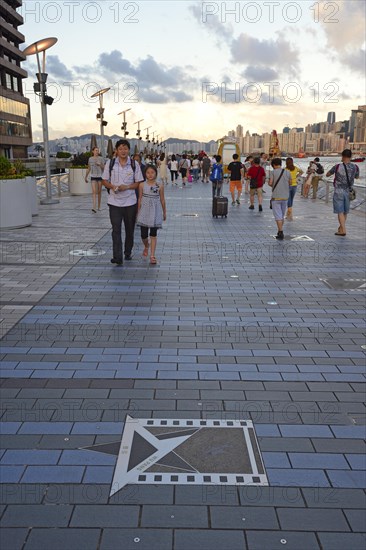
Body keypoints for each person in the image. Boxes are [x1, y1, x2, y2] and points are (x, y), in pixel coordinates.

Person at [102, 139, 144, 266]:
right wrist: (112, 186)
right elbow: (104, 180)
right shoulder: (110, 163)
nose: (123, 151)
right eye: (120, 149)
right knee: (116, 230)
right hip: (114, 202)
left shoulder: (134, 164)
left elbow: (138, 182)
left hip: (130, 202)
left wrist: (126, 187)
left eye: (125, 148)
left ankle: (127, 251)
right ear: (116, 150)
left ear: (128, 150)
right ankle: (117, 256)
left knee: (129, 229)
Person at [137, 164, 166, 265]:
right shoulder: (141, 185)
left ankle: (152, 255)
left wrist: (164, 212)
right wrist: (138, 211)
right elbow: (140, 198)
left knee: (153, 234)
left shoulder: (159, 186)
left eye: (152, 173)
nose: (150, 175)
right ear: (145, 174)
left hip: (155, 212)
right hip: (144, 212)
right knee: (143, 235)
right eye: (148, 173)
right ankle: (146, 245)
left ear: (156, 174)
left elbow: (162, 199)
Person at [326, 149, 359, 236]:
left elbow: (327, 174)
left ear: (343, 156)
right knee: (345, 211)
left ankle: (343, 230)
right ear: (351, 156)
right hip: (348, 191)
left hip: (338, 191)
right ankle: (341, 228)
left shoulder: (337, 166)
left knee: (340, 211)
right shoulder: (355, 167)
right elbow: (357, 177)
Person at [269, 158, 291, 240]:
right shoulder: (287, 172)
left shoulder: (272, 172)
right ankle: (279, 230)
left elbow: (270, 183)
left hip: (276, 197)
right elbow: (290, 183)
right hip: (285, 197)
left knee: (278, 215)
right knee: (281, 215)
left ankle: (281, 232)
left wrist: (273, 185)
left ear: (274, 165)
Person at [85, 147, 104, 213]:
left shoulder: (101, 158)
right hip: (93, 176)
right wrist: (86, 177)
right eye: (96, 150)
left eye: (98, 150)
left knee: (99, 192)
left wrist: (100, 164)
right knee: (94, 191)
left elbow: (104, 168)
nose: (97, 152)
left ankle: (99, 206)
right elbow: (89, 168)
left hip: (99, 176)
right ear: (93, 151)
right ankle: (94, 207)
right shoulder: (90, 159)